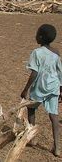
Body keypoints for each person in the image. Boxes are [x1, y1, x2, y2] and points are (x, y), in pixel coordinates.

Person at [21, 24, 62, 157]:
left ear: (41, 37)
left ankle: (32, 138)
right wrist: (61, 88)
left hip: (40, 86)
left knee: (31, 109)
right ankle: (57, 147)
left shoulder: (36, 53)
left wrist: (25, 89)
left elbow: (34, 73)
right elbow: (59, 71)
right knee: (54, 116)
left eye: (37, 34)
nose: (35, 36)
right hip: (53, 86)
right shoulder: (56, 53)